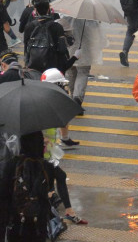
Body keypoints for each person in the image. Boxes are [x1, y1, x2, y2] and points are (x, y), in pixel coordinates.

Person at [39, 68, 88, 225]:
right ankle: (60, 213)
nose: (65, 88)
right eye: (62, 85)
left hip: (49, 151)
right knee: (52, 180)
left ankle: (65, 211)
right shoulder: (43, 103)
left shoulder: (49, 101)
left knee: (54, 180)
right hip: (42, 153)